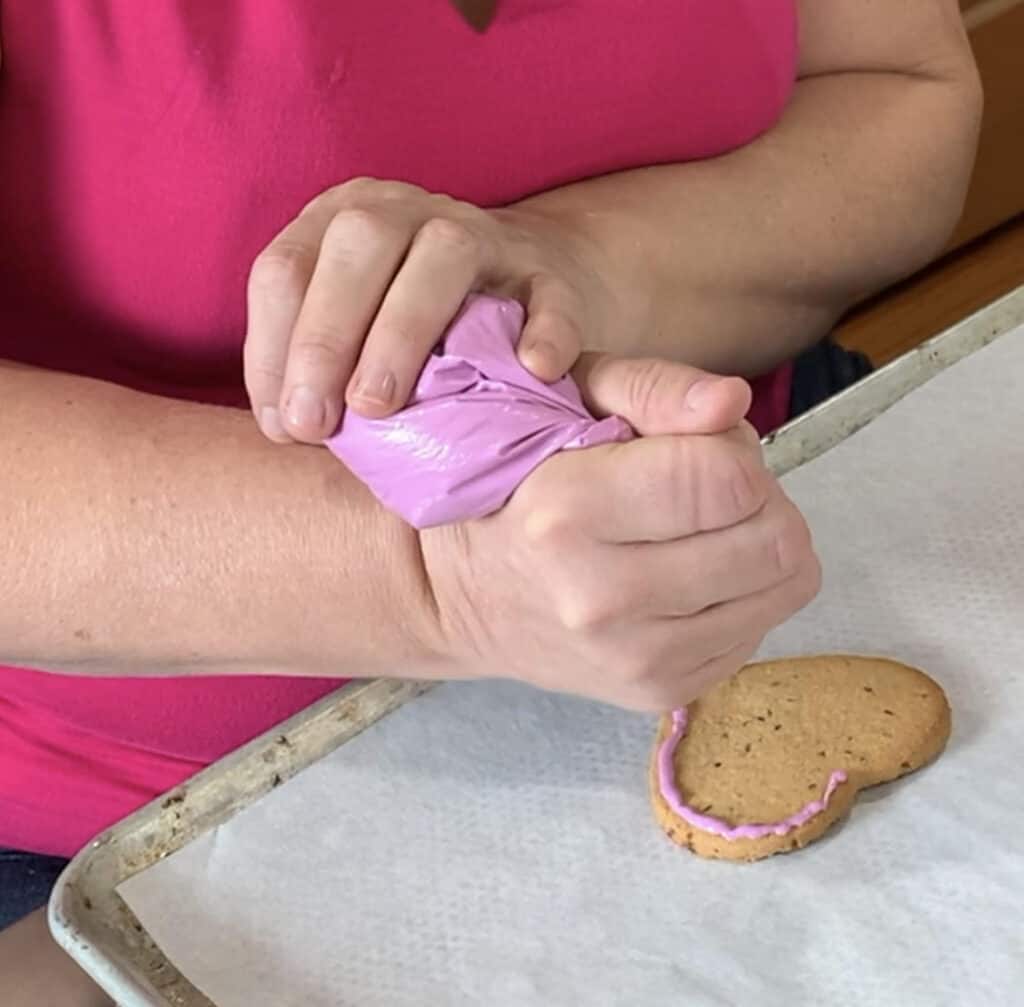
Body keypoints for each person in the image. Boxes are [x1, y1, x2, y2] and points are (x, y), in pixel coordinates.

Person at [0, 1, 980, 1002]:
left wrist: (574, 266)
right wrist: (433, 582)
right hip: (144, 822)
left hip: (779, 499)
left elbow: (898, 94)